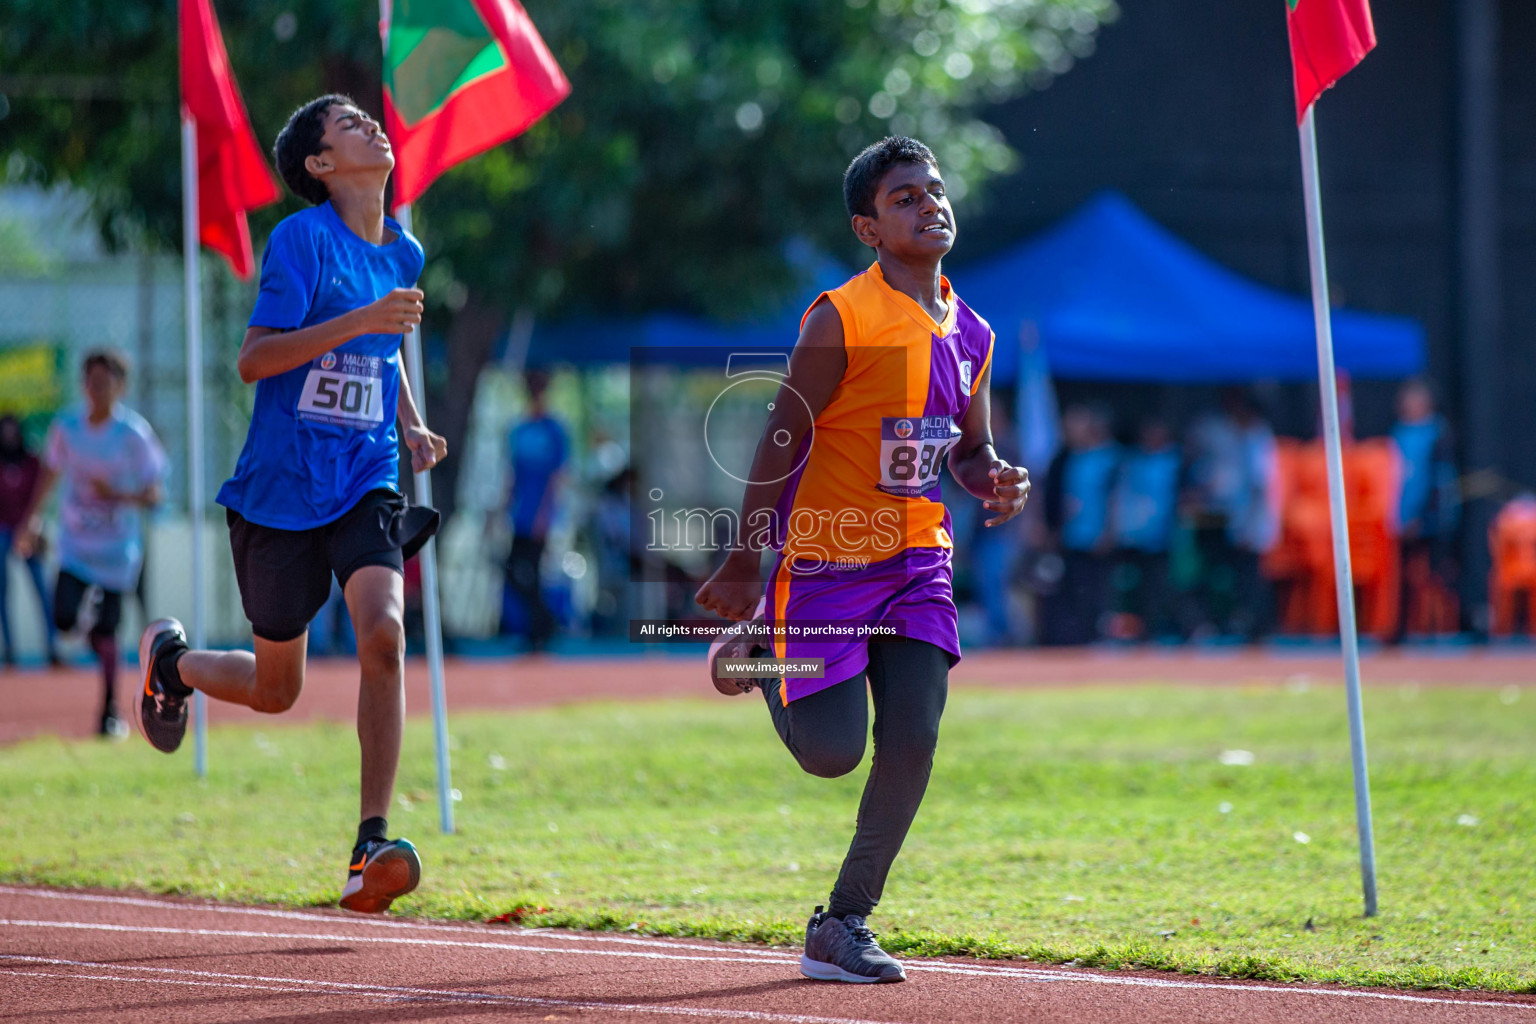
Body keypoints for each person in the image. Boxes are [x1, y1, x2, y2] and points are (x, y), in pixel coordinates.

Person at [696, 137, 1029, 983]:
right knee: (831, 753)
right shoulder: (841, 317)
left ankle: (843, 921)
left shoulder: (975, 331)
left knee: (913, 737)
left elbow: (966, 448)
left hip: (916, 560)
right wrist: (745, 558)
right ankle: (764, 656)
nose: (929, 204)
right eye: (905, 197)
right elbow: (782, 433)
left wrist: (992, 477)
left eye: (935, 190)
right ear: (868, 227)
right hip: (824, 564)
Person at [133, 95, 446, 914]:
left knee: (384, 632)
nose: (371, 127)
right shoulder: (300, 240)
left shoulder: (403, 249)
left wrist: (410, 425)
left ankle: (369, 841)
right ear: (320, 165)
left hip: (365, 476)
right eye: (349, 126)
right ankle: (172, 663)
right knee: (278, 691)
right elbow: (256, 360)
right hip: (279, 491)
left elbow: (383, 351)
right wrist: (361, 322)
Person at [14, 353, 166, 734]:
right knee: (62, 618)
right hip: (76, 547)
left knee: (109, 632)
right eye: (91, 382)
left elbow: (155, 494)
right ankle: (85, 622)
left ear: (120, 386)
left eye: (105, 382)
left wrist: (115, 494)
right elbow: (49, 475)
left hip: (117, 552)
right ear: (83, 385)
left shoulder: (133, 435)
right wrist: (30, 521)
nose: (97, 390)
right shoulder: (67, 428)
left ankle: (109, 710)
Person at [1040, 404, 1119, 644]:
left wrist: (1109, 531)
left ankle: (1100, 634)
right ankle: (1077, 638)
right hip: (1072, 535)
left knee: (1099, 589)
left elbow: (1115, 497)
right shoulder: (1067, 458)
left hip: (1097, 535)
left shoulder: (1110, 458)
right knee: (1072, 588)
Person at [503, 370, 567, 651]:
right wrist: (505, 505)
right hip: (519, 514)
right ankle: (542, 623)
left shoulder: (555, 430)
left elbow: (557, 477)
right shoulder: (519, 429)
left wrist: (545, 514)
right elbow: (512, 473)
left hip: (540, 516)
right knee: (512, 571)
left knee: (533, 572)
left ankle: (541, 630)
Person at [1390, 379, 1459, 637]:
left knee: (1434, 575)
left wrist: (1421, 517)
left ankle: (1439, 629)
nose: (1409, 404)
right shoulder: (1398, 433)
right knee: (1404, 576)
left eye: (1415, 399)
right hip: (1401, 518)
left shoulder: (1437, 434)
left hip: (1432, 518)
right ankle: (1405, 628)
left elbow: (1437, 481)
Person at [1107, 416, 1182, 640]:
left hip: (1164, 536)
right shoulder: (1132, 462)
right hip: (1133, 536)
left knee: (1163, 586)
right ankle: (1135, 632)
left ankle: (1164, 630)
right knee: (1132, 588)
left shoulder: (1175, 461)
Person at [0, 414, 60, 668]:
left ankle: (52, 648)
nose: (9, 436)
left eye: (13, 430)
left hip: (27, 528)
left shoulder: (32, 460)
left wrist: (31, 527)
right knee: (3, 592)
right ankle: (10, 649)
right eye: (5, 431)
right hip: (2, 530)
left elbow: (40, 495)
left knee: (41, 590)